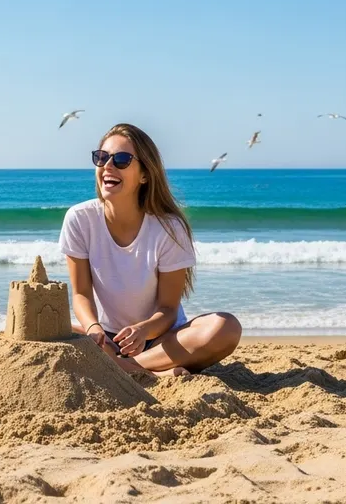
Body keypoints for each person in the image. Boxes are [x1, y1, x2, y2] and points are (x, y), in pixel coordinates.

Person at [59, 123, 241, 376]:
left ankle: (126, 369)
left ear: (144, 174)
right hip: (103, 339)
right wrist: (93, 328)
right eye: (101, 157)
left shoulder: (169, 228)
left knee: (226, 327)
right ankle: (143, 372)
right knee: (37, 326)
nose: (108, 166)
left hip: (159, 341)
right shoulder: (79, 218)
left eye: (121, 159)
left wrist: (142, 330)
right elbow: (81, 295)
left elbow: (168, 310)